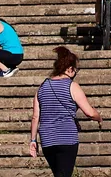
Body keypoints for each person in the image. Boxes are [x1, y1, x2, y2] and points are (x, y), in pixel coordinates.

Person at [31, 46, 102, 177]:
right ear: (70, 69)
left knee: (59, 173)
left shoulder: (42, 87)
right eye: (76, 70)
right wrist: (99, 117)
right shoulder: (72, 86)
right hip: (67, 139)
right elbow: (90, 113)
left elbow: (35, 117)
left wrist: (33, 140)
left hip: (47, 140)